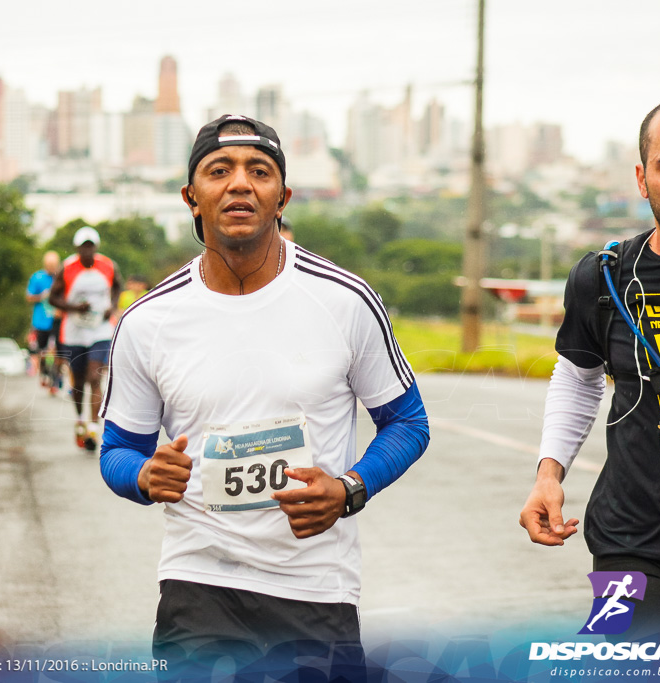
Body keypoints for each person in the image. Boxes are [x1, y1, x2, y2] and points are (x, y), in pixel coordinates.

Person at [98, 114, 430, 676]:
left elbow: (409, 423)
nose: (240, 183)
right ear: (191, 196)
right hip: (198, 580)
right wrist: (145, 477)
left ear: (282, 197)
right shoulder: (149, 321)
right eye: (218, 170)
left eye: (260, 170)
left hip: (316, 587)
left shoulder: (345, 300)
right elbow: (116, 452)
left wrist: (350, 488)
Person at [520, 94, 660, 642]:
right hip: (633, 542)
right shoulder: (604, 277)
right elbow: (578, 374)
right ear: (642, 178)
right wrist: (548, 473)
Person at [49, 226, 121, 451]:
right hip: (75, 331)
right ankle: (80, 419)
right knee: (78, 381)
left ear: (96, 247)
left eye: (91, 246)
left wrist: (112, 305)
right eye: (83, 247)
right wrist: (73, 307)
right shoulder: (67, 268)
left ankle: (92, 427)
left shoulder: (107, 265)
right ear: (77, 248)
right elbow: (52, 297)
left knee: (94, 376)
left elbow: (117, 285)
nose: (87, 251)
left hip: (100, 329)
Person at [25, 250, 60, 386]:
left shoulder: (61, 277)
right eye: (49, 265)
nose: (52, 268)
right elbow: (29, 297)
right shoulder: (37, 277)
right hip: (41, 321)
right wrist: (42, 296)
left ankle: (56, 377)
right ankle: (45, 373)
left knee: (58, 350)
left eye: (54, 265)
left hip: (57, 320)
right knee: (43, 351)